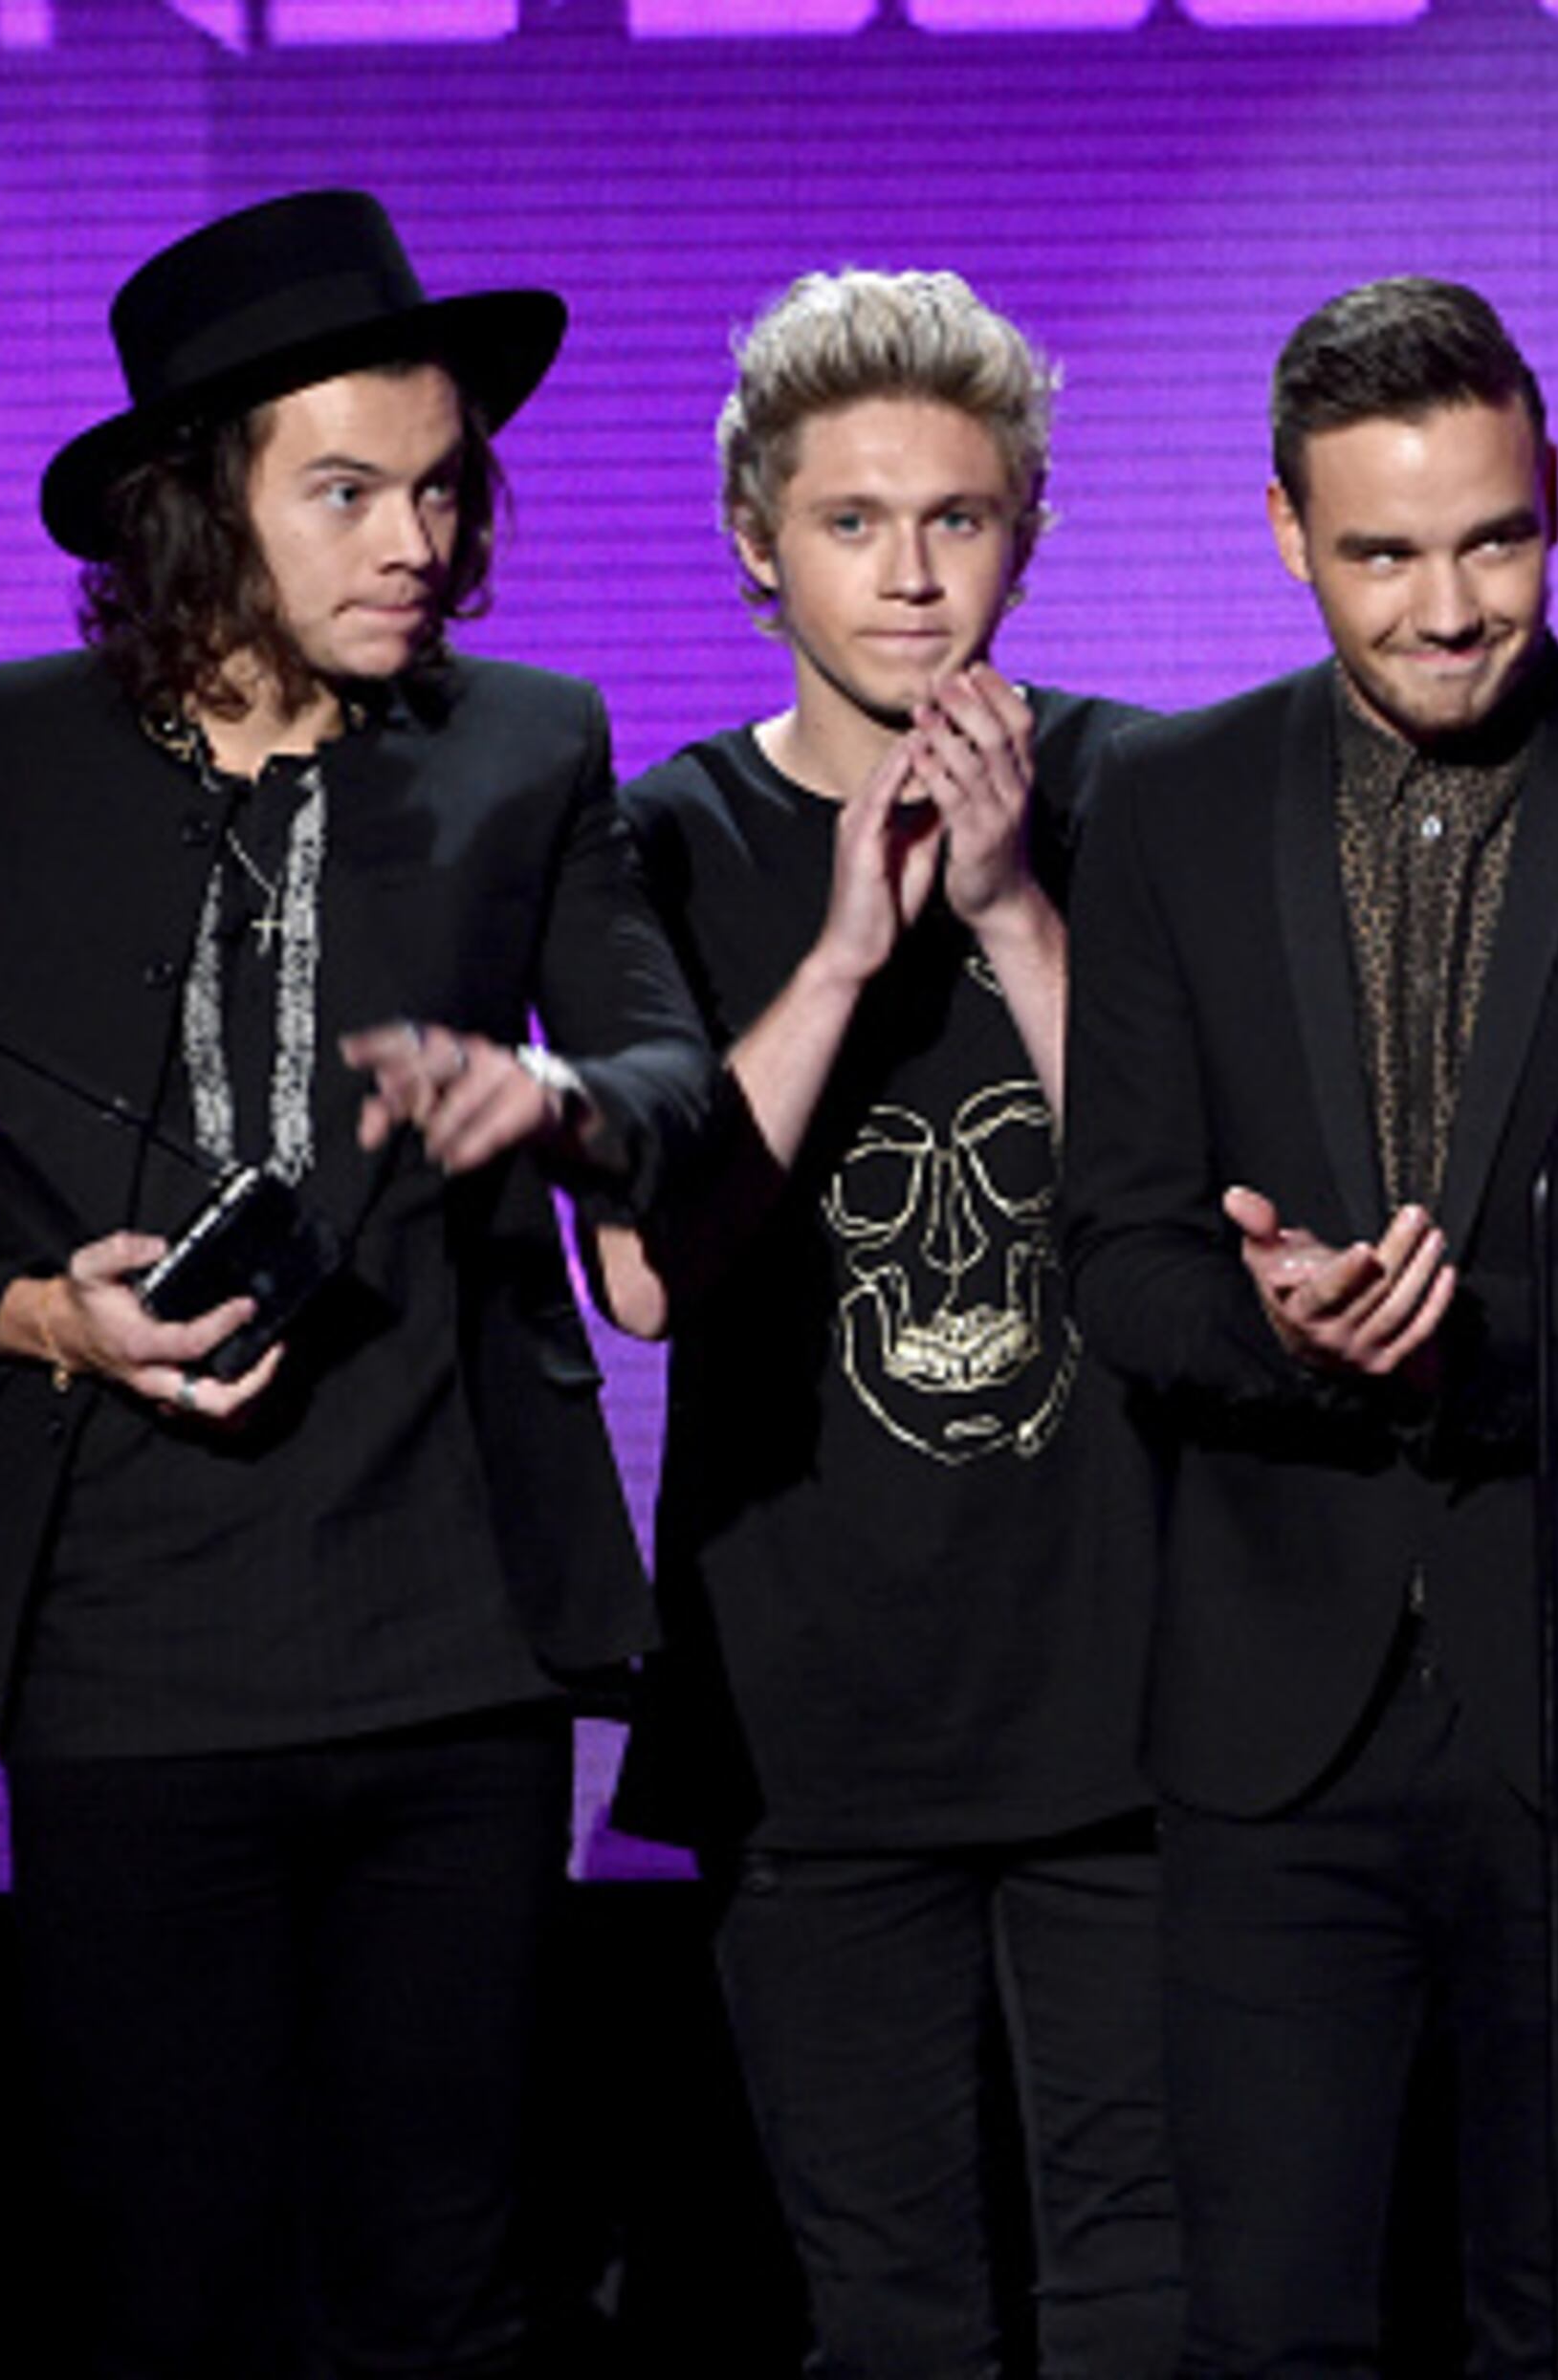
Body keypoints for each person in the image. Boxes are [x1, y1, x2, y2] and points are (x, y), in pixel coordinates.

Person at [0, 189, 719, 2375]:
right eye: (352, 491)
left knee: (445, 2294)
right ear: (202, 507)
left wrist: (561, 1109)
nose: (421, 539)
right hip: (126, 1656)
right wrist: (27, 1315)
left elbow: (665, 1069)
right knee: (170, 2288)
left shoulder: (523, 746)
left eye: (445, 485)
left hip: (451, 1640)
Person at [1057, 276, 1558, 2376]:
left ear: (1557, 504)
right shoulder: (1164, 806)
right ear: (1283, 533)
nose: (1445, 605)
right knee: (1269, 2327)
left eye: (1492, 540)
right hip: (1268, 1715)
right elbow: (1120, 1254)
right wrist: (1282, 1333)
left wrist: (1481, 1345)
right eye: (1383, 551)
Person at [587, 268, 1177, 2375]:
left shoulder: (1144, 795)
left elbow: (1193, 1216)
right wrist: (841, 959)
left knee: (1145, 2298)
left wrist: (1014, 910)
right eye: (854, 522)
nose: (914, 576)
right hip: (810, 1711)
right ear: (760, 539)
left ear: (1028, 526)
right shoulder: (656, 839)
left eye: (961, 518)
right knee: (894, 2316)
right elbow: (648, 1277)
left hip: (1129, 1689)